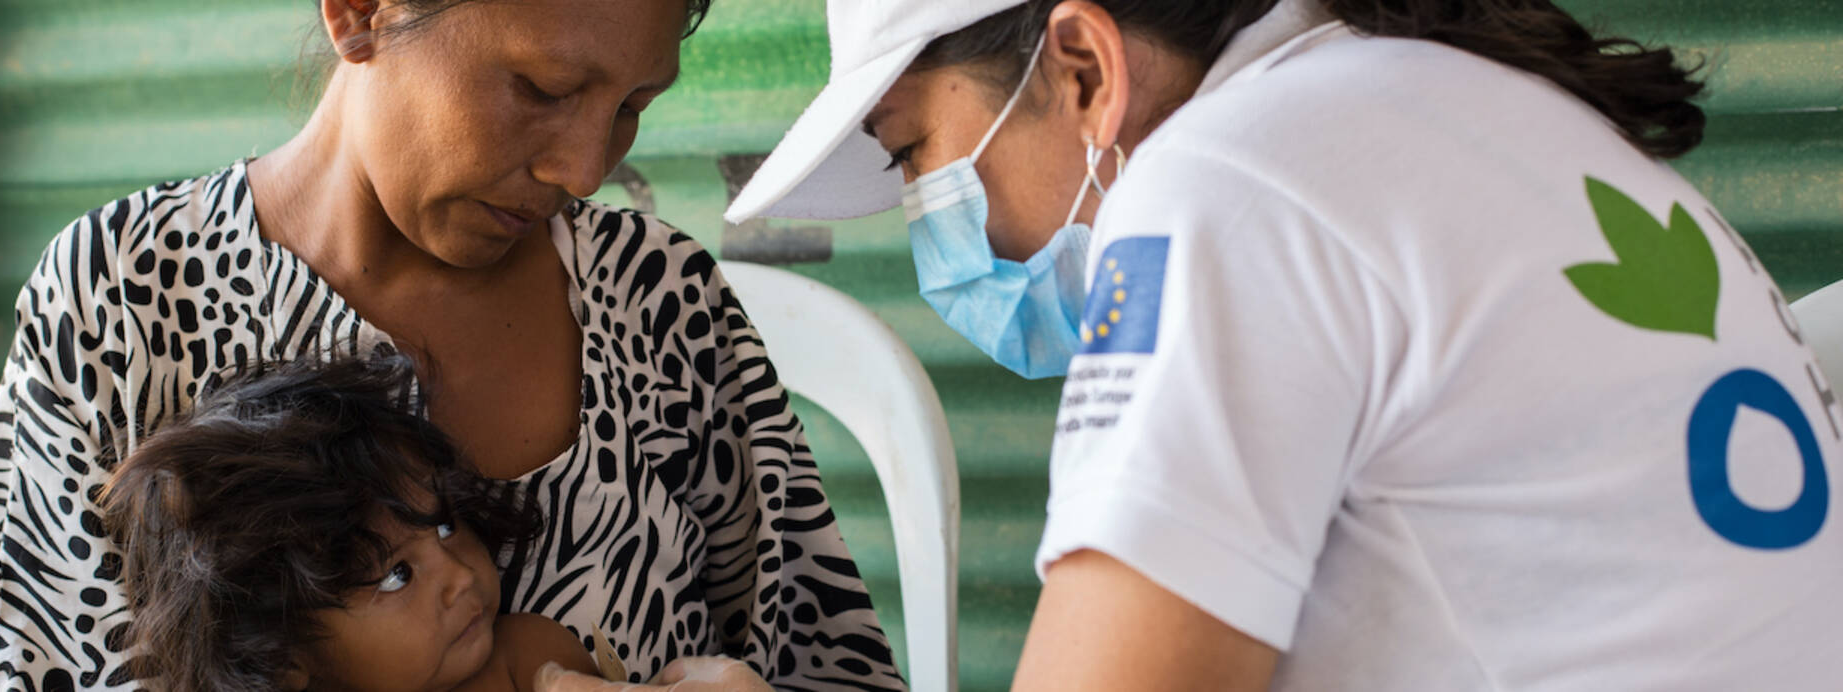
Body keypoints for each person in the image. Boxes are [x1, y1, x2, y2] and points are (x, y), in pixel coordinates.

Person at [725, 0, 1843, 689]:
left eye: (916, 152)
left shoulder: (1220, 188)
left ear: (1081, 67)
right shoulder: (1471, 100)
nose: (931, 219)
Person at [0, 0, 903, 689]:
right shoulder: (123, 298)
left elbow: (825, 659)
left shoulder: (664, 300)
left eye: (632, 107)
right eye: (542, 85)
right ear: (359, 11)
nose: (583, 168)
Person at [102, 353, 604, 691]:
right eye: (396, 575)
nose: (460, 576)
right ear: (284, 655)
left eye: (447, 525)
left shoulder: (526, 663)